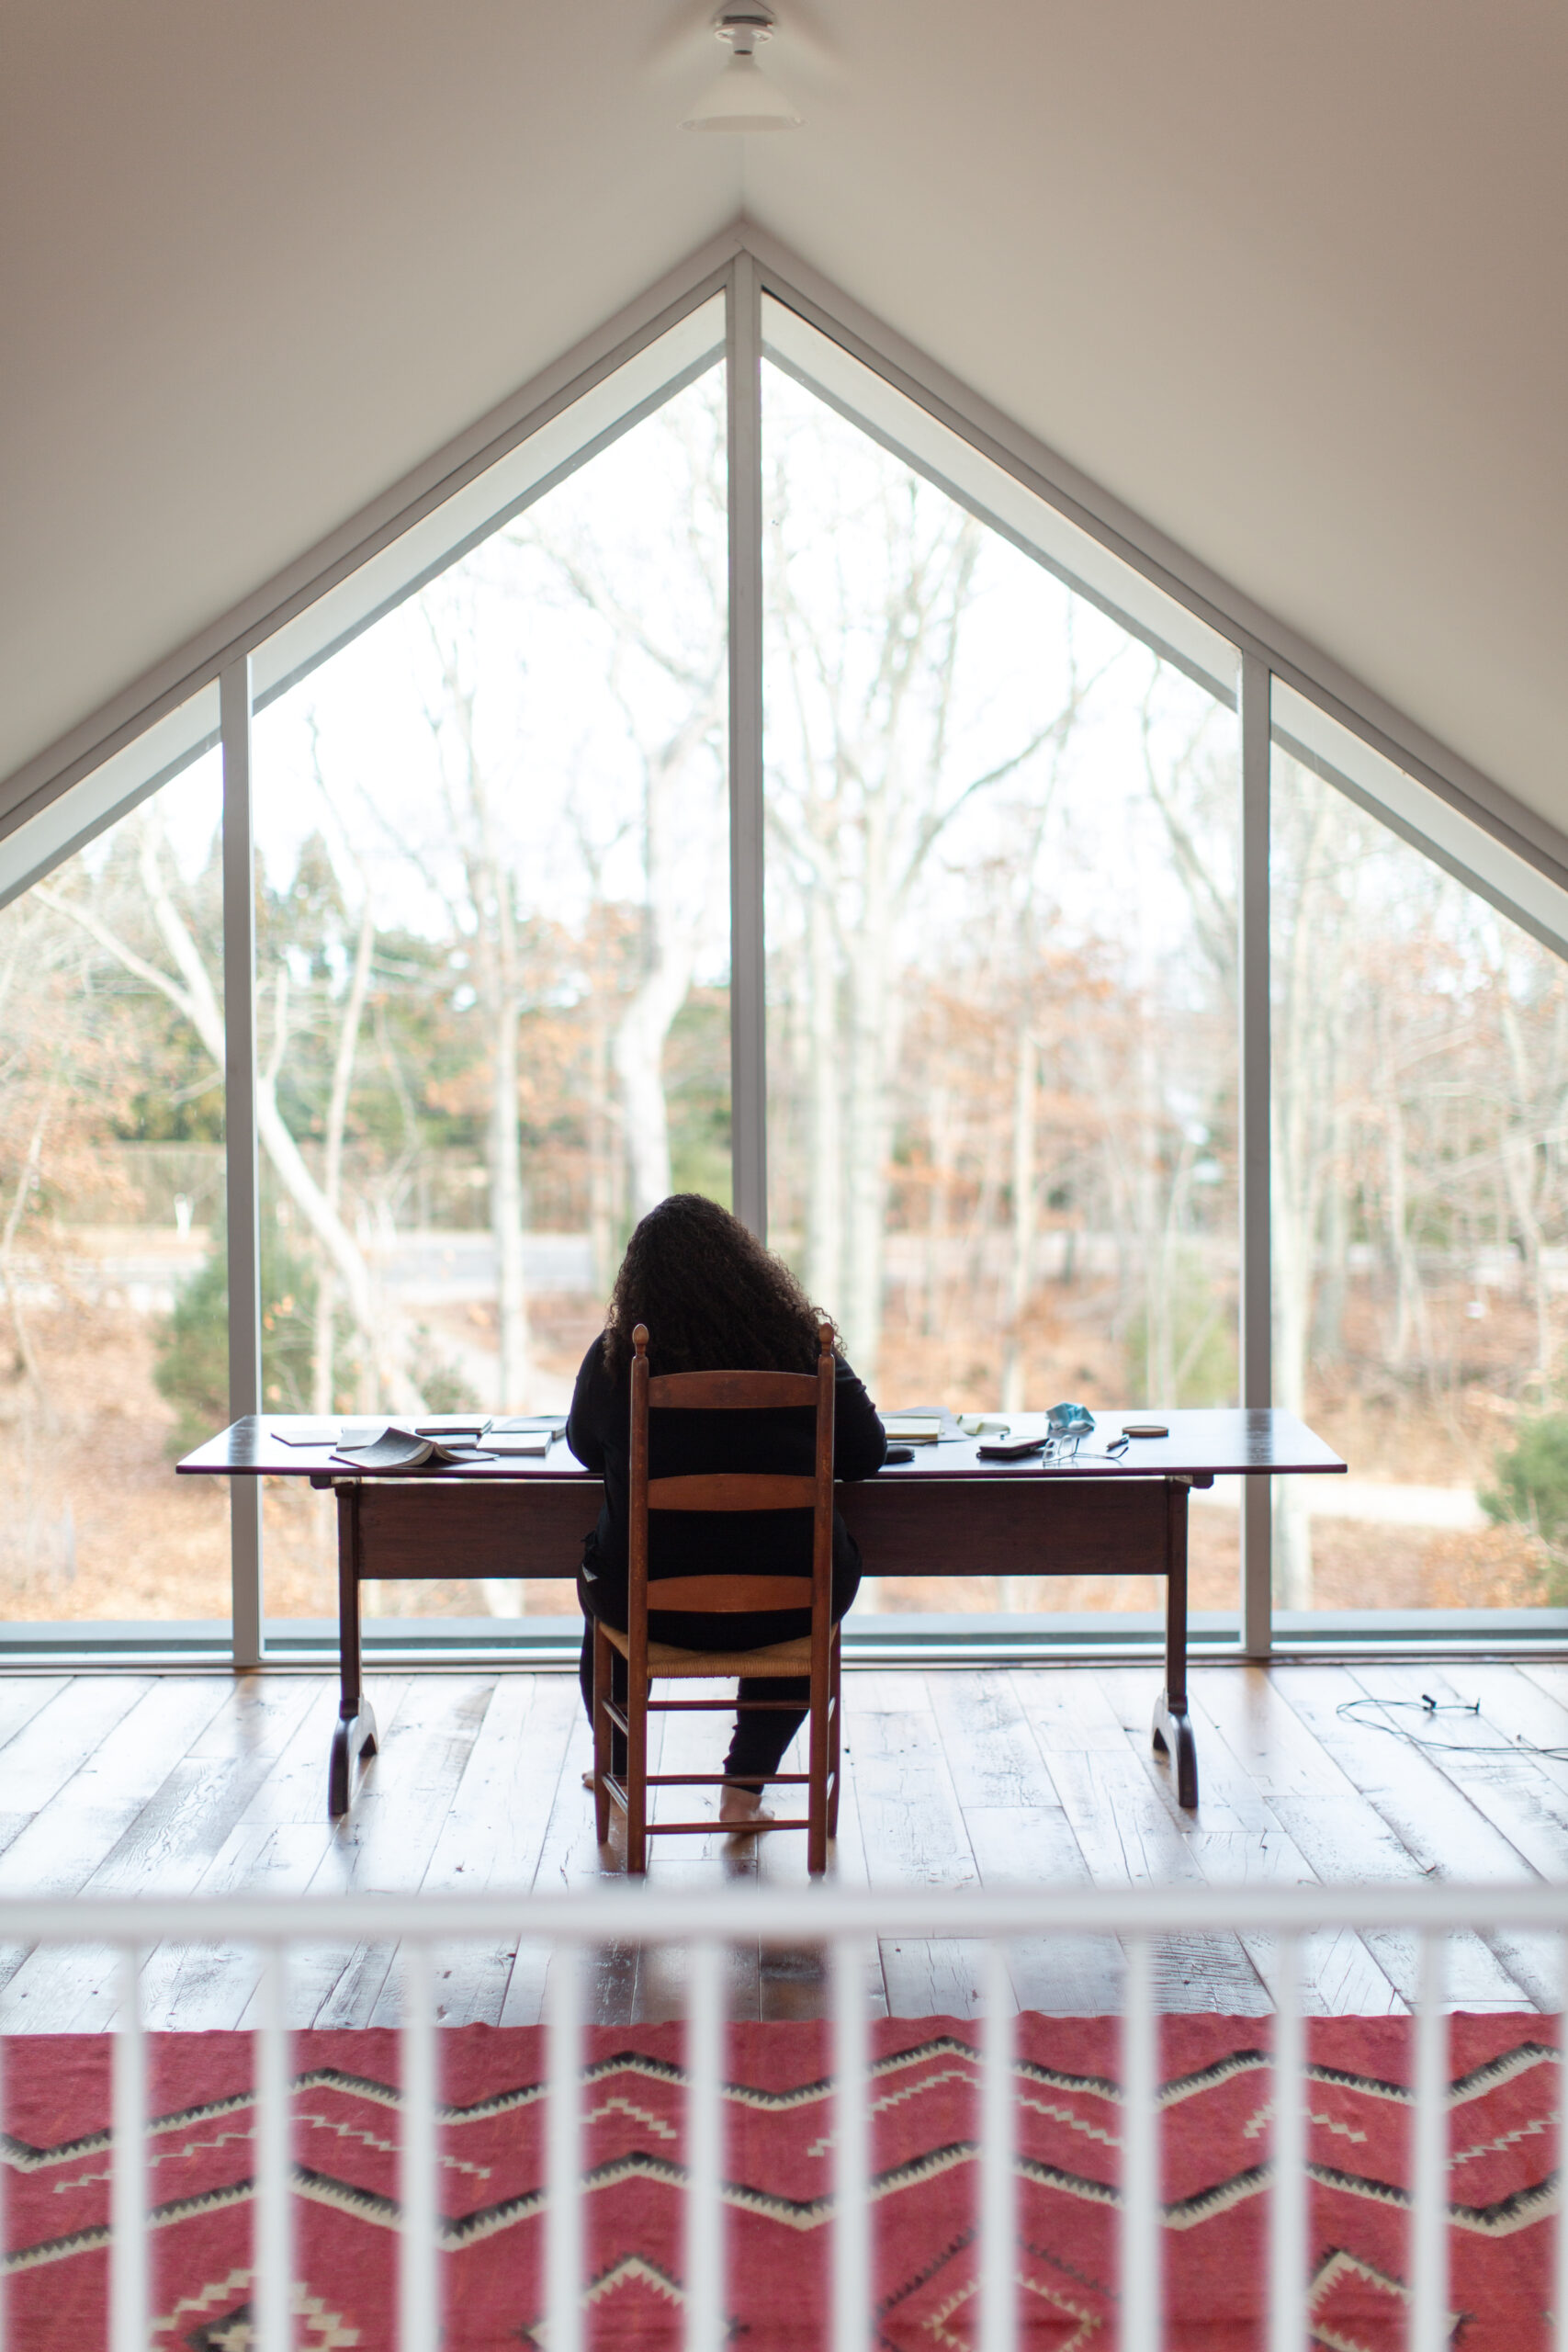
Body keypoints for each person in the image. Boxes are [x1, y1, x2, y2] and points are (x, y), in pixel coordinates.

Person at [565, 1193, 886, 1830]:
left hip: (648, 1607)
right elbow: (867, 1452)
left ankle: (622, 1768)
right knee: (801, 1584)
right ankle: (743, 1789)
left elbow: (581, 1448)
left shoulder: (618, 1359)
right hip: (788, 1605)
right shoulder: (804, 1350)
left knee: (603, 1586)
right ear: (750, 1267)